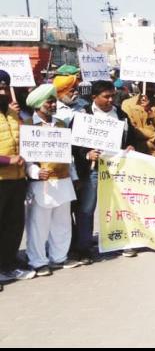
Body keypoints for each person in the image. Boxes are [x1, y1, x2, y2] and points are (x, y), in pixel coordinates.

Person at [72, 80, 136, 264]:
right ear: (94, 97)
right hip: (93, 170)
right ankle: (83, 248)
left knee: (119, 206)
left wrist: (131, 146)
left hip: (117, 169)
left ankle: (121, 241)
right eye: (106, 96)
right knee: (86, 209)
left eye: (112, 96)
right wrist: (87, 154)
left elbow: (130, 138)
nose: (110, 100)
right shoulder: (83, 115)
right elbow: (74, 144)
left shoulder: (121, 115)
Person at [23, 85, 81, 277]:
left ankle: (59, 257)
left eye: (53, 100)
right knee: (39, 225)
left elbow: (68, 156)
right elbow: (25, 157)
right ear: (39, 104)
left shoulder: (61, 125)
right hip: (42, 183)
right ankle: (38, 261)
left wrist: (74, 177)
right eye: (49, 101)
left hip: (63, 181)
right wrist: (35, 172)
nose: (53, 104)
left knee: (62, 223)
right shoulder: (28, 125)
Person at [0, 71, 36, 283]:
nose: (2, 91)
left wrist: (21, 119)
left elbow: (27, 140)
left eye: (5, 87)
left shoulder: (14, 113)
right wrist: (7, 160)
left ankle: (7, 264)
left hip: (16, 179)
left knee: (13, 225)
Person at [121, 83, 155, 161]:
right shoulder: (127, 104)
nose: (150, 88)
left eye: (153, 85)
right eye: (147, 85)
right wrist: (154, 135)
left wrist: (150, 111)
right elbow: (131, 128)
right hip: (135, 153)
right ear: (139, 85)